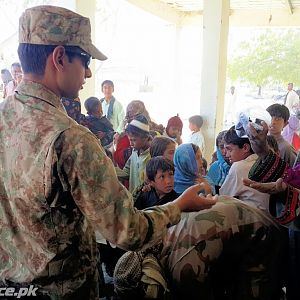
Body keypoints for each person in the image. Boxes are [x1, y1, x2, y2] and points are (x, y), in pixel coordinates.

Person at [0, 5, 217, 299]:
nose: (88, 72)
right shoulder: (70, 139)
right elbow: (128, 231)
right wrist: (178, 207)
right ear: (60, 57)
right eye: (85, 60)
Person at [219, 127, 269, 211]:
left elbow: (223, 195)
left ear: (245, 148)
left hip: (256, 218)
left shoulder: (239, 166)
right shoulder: (265, 161)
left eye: (229, 150)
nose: (227, 155)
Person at [116, 115, 152, 193]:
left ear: (145, 137)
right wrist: (110, 168)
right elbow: (126, 172)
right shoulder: (134, 152)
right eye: (130, 140)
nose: (131, 143)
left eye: (134, 140)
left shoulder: (152, 155)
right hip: (134, 197)